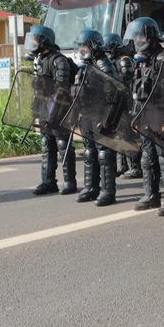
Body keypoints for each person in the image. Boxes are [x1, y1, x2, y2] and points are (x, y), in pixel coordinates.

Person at [124, 17, 164, 216]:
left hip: (161, 116)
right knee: (147, 157)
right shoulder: (141, 61)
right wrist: (135, 116)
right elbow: (136, 91)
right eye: (136, 37)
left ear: (150, 36)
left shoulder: (162, 59)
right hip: (145, 117)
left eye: (141, 36)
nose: (138, 41)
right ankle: (151, 194)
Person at [26, 25, 77, 196]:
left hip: (59, 109)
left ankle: (70, 182)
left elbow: (62, 89)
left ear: (44, 40)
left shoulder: (59, 60)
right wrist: (35, 111)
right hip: (44, 109)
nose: (32, 43)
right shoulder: (39, 60)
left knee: (63, 144)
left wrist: (54, 112)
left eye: (35, 39)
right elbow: (38, 90)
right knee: (47, 144)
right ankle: (48, 182)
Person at [73, 29, 119, 206]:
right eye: (81, 46)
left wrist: (107, 118)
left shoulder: (103, 64)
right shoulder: (85, 65)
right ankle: (91, 187)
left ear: (94, 46)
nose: (82, 49)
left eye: (85, 46)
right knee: (89, 151)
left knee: (104, 153)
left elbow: (113, 92)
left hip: (100, 115)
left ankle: (108, 191)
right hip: (87, 115)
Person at [103, 33, 139, 178]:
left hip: (125, 102)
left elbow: (124, 82)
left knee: (127, 134)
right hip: (116, 103)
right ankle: (122, 165)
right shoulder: (112, 61)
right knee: (118, 134)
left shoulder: (124, 61)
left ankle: (134, 166)